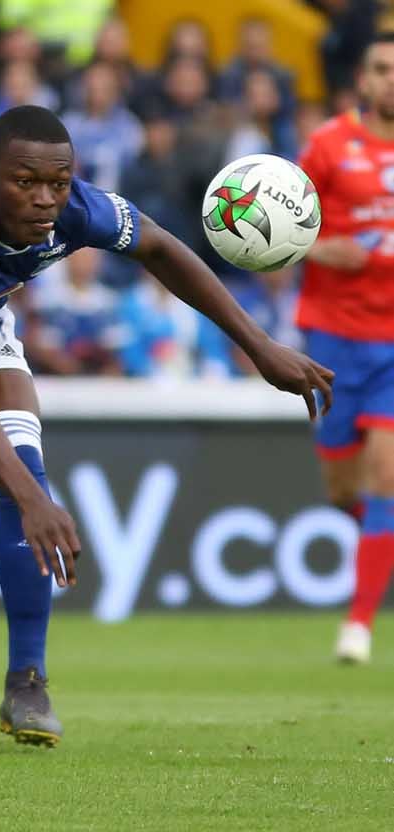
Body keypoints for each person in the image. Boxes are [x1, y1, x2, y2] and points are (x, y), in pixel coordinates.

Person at [0, 105, 332, 746]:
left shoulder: (76, 207)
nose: (44, 200)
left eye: (57, 183)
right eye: (25, 182)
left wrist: (260, 346)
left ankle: (26, 683)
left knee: (24, 467)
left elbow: (160, 248)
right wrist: (33, 504)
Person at [297, 33, 394, 664]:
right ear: (363, 78)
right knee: (341, 489)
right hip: (332, 337)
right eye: (382, 69)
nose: (392, 80)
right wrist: (317, 247)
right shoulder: (328, 145)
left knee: (386, 474)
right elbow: (278, 228)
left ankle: (358, 624)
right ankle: (380, 546)